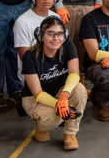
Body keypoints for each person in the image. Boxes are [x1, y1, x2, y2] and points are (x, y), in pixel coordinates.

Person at [21, 16, 88, 151]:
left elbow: (74, 73)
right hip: (35, 98)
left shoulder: (68, 47)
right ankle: (41, 127)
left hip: (60, 92)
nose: (55, 38)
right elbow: (38, 93)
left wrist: (64, 97)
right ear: (41, 35)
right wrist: (59, 104)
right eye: (50, 33)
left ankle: (70, 134)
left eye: (60, 34)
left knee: (80, 90)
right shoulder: (30, 56)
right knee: (53, 118)